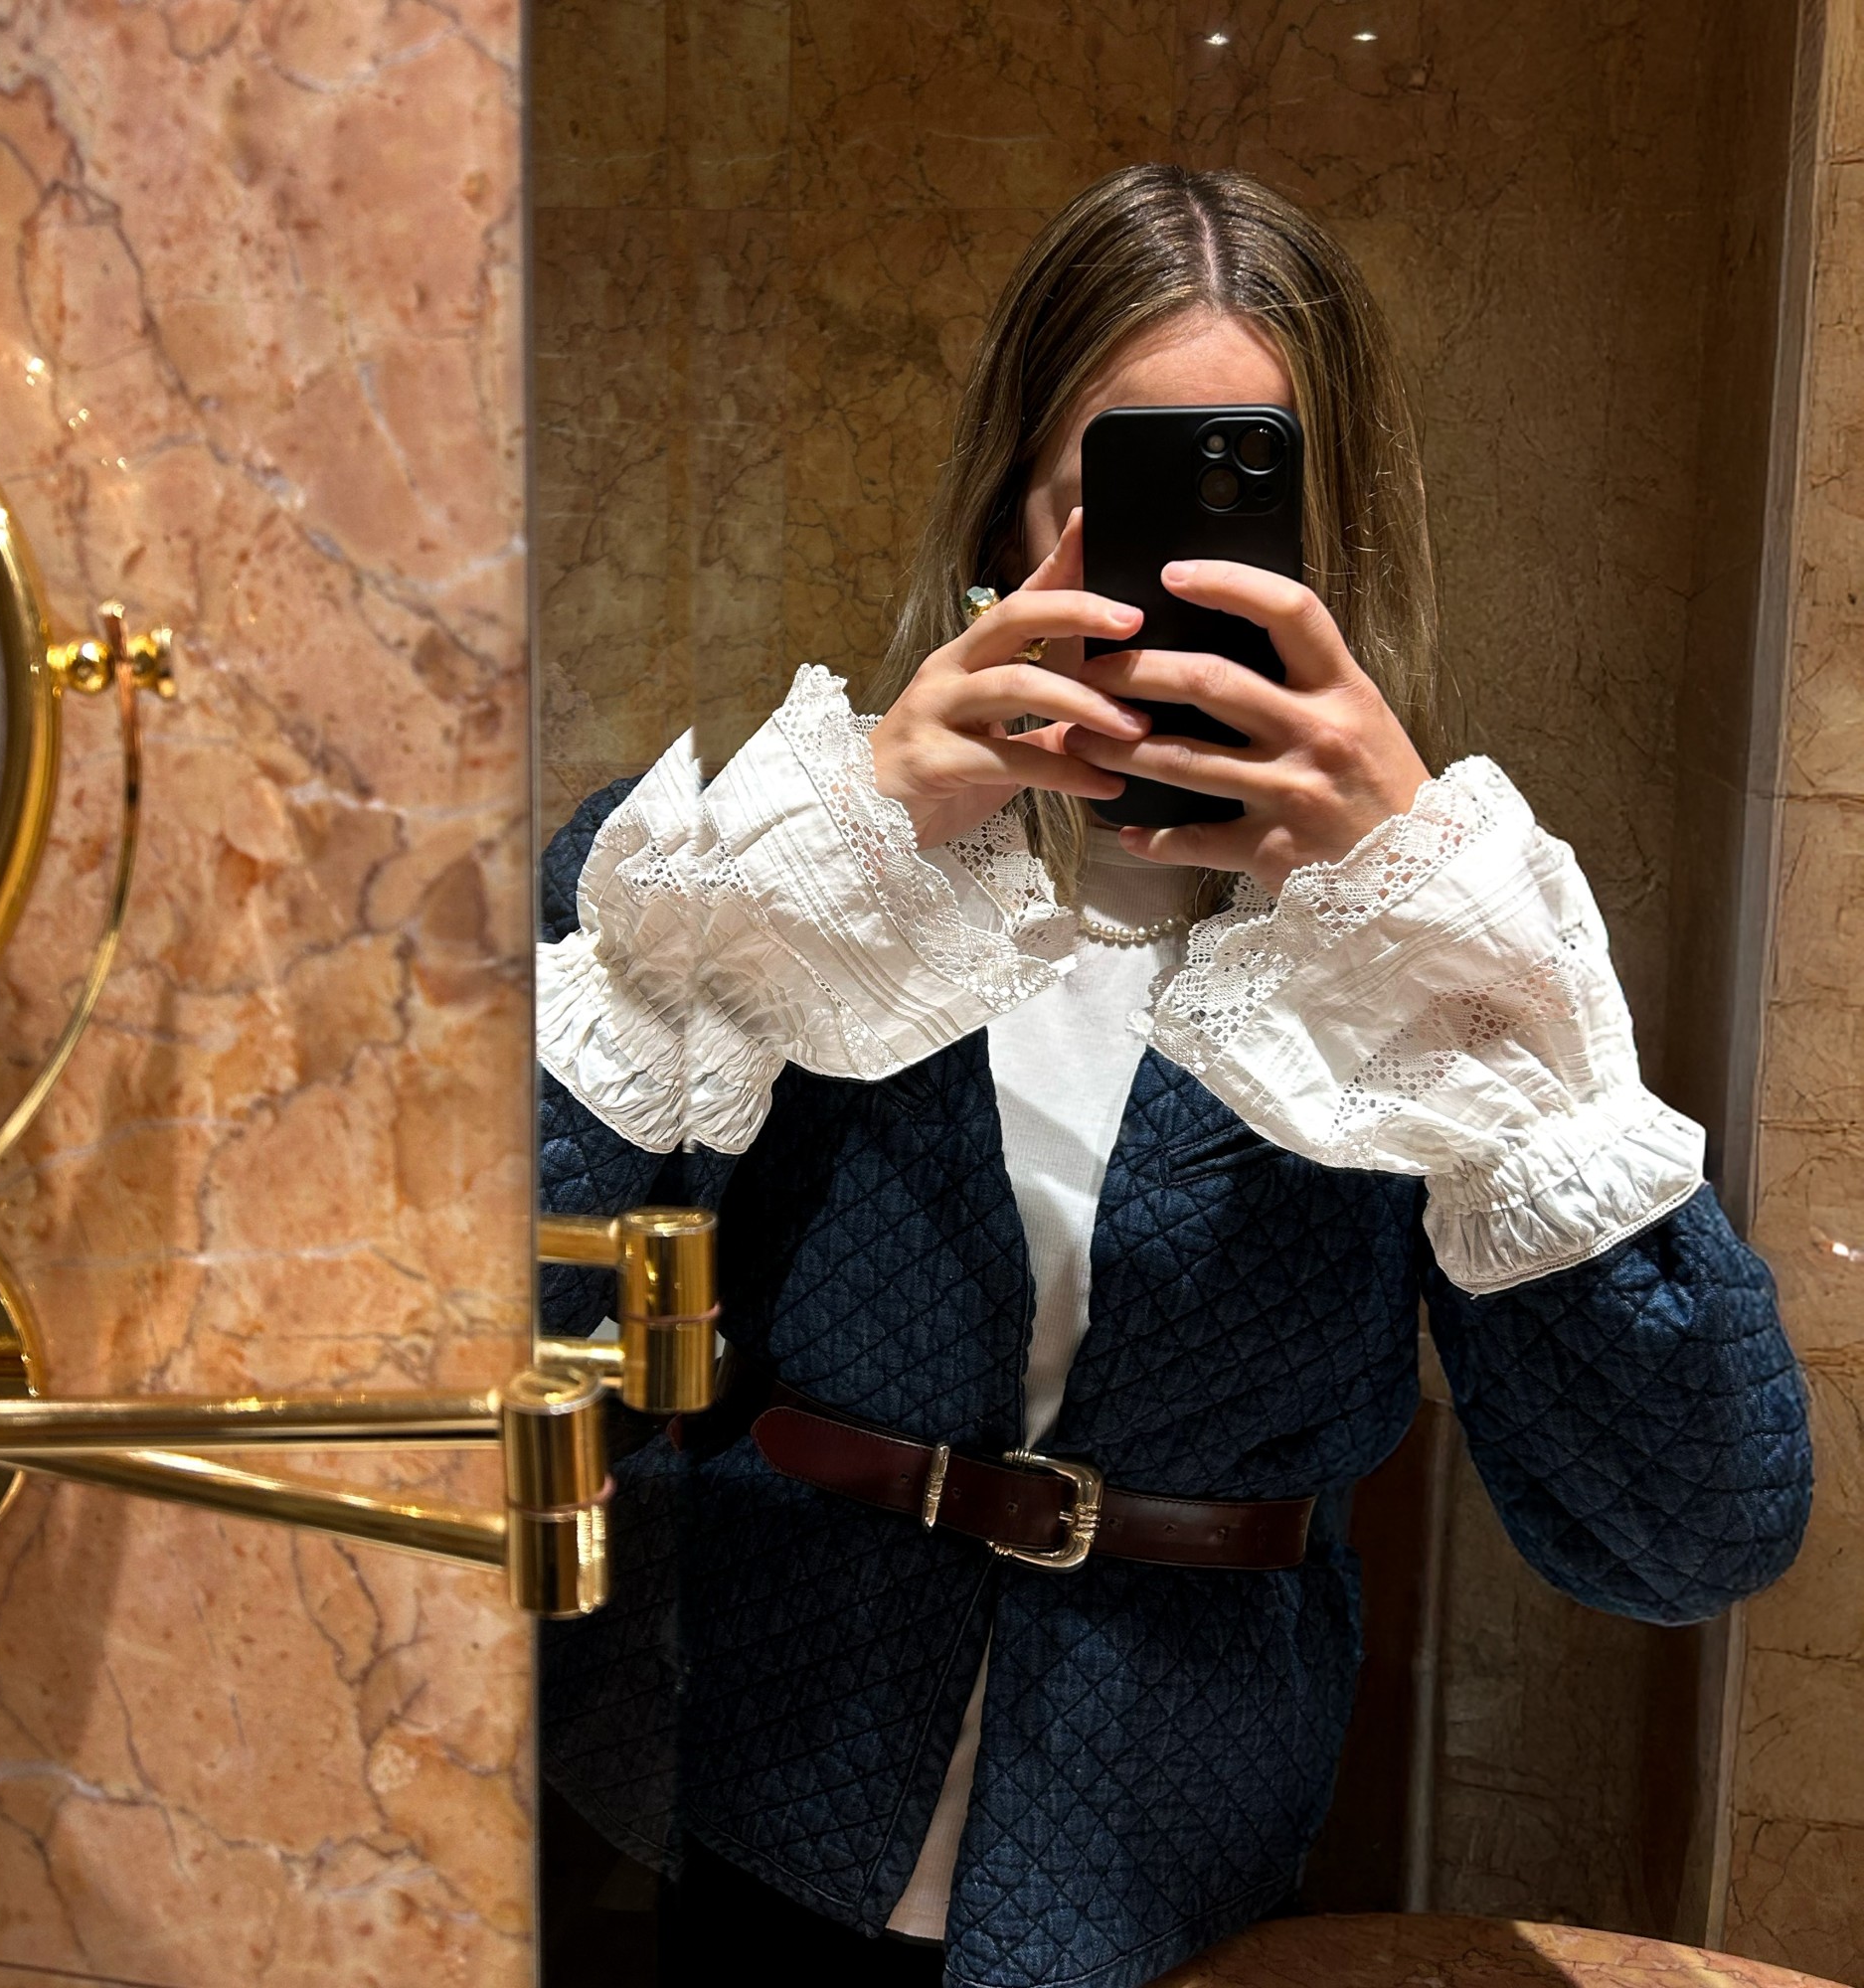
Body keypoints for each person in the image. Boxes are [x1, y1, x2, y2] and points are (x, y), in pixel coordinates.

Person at [535, 165, 1812, 1988]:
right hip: (738, 1800)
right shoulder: (788, 853)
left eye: (1245, 515)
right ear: (1010, 506)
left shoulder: (1429, 939)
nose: (1174, 581)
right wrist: (815, 870)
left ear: (1334, 544)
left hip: (1164, 1870)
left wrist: (1436, 946)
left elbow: (1688, 1540)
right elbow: (468, 1343)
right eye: (1112, 499)